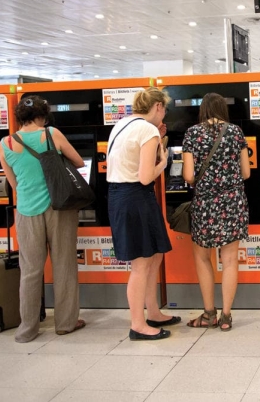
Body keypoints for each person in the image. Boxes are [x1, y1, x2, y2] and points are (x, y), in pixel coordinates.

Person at [0, 95, 86, 343]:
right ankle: (66, 323)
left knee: (30, 271)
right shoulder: (51, 134)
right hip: (58, 208)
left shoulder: (5, 143)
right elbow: (79, 161)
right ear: (43, 115)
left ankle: (27, 329)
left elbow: (13, 183)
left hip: (26, 212)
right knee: (64, 266)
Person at [107, 87, 179, 340]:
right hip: (135, 196)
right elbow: (146, 175)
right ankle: (138, 324)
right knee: (140, 263)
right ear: (158, 106)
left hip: (122, 196)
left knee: (154, 255)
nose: (164, 114)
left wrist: (157, 141)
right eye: (165, 109)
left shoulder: (122, 124)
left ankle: (154, 312)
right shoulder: (147, 129)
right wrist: (165, 161)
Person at [182, 93, 250, 331]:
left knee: (203, 258)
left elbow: (189, 176)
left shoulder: (192, 134)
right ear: (222, 109)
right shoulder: (235, 132)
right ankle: (226, 317)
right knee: (230, 260)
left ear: (203, 110)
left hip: (205, 204)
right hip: (232, 203)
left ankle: (209, 313)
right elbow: (246, 173)